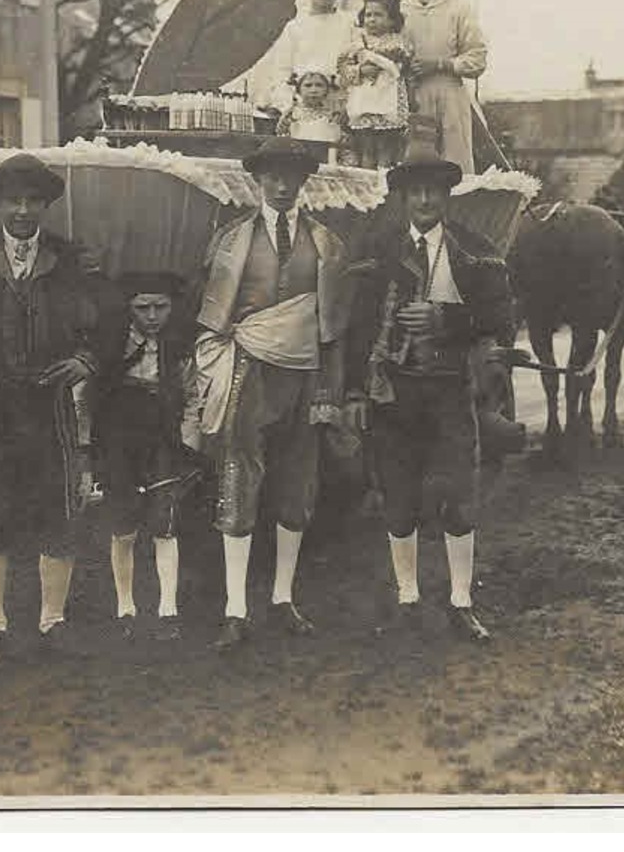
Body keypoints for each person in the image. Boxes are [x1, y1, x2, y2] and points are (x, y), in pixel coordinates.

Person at [342, 148, 515, 642]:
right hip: (392, 394)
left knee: (459, 495)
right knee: (398, 496)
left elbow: (503, 321)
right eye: (415, 191)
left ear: (446, 196)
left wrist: (448, 320)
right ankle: (408, 599)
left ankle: (461, 602)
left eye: (434, 191)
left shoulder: (473, 252)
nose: (424, 200)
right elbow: (358, 327)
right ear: (402, 197)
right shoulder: (378, 250)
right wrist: (354, 391)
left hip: (450, 392)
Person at [183, 137, 349, 651]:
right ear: (258, 180)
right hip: (248, 374)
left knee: (297, 483)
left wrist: (329, 391)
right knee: (239, 479)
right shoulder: (230, 240)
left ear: (304, 181)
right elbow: (209, 316)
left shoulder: (327, 244)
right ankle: (236, 608)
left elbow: (334, 328)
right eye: (272, 175)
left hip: (302, 376)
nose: (281, 185)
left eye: (290, 176)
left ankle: (282, 598)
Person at [0, 153, 103, 668]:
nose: (22, 210)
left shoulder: (71, 260)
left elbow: (104, 318)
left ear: (45, 205)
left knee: (56, 510)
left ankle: (52, 623)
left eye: (32, 200)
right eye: (12, 200)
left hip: (49, 404)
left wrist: (85, 358)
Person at [95, 271, 197, 642]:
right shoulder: (110, 344)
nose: (152, 316)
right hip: (119, 438)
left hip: (163, 438)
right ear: (128, 307)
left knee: (164, 522)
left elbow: (192, 395)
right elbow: (92, 394)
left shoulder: (180, 345)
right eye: (142, 307)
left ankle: (167, 607)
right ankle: (125, 606)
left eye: (160, 307)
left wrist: (188, 443)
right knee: (123, 524)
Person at [400, 0, 488, 173]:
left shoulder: (459, 8)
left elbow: (477, 58)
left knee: (455, 162)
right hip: (411, 95)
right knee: (414, 163)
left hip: (450, 94)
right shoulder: (399, 7)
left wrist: (441, 64)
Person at [260, 0, 355, 116]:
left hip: (341, 109)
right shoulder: (294, 28)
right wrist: (290, 106)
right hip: (302, 109)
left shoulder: (350, 23)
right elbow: (281, 73)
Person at [337, 0, 415, 169]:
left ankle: (384, 182)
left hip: (388, 99)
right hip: (364, 99)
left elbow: (403, 67)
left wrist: (391, 63)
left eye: (378, 15)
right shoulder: (357, 42)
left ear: (392, 20)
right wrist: (360, 70)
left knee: (386, 146)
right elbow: (343, 69)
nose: (372, 19)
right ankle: (367, 181)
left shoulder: (399, 42)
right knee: (366, 147)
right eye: (368, 14)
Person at [275, 64, 346, 160]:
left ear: (327, 90)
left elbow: (339, 146)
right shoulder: (291, 115)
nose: (314, 90)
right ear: (299, 89)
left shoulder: (333, 116)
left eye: (319, 85)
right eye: (308, 85)